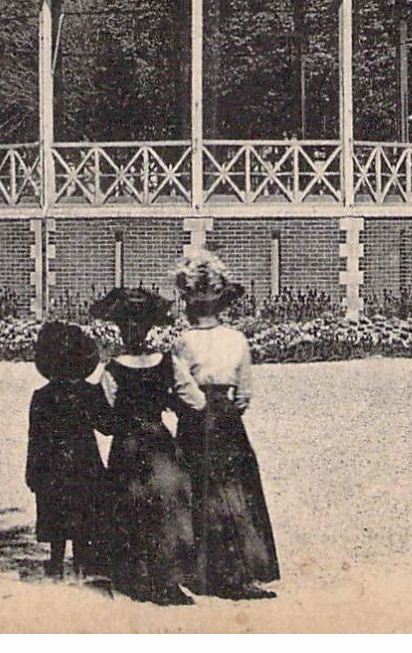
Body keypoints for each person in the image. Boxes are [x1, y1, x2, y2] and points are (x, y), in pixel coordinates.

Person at [171, 250, 280, 599]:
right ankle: (239, 568)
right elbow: (244, 393)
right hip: (228, 420)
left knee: (196, 489)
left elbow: (179, 388)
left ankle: (200, 569)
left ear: (188, 302)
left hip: (194, 419)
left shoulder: (183, 343)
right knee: (235, 490)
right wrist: (228, 414)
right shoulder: (237, 340)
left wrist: (192, 411)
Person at [89, 286, 205, 606]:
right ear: (150, 328)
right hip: (158, 442)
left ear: (122, 329)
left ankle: (134, 577)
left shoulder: (112, 371)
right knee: (166, 506)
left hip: (128, 445)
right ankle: (168, 580)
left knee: (130, 507)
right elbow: (196, 402)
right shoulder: (168, 364)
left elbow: (104, 421)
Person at [26, 321, 109, 581]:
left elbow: (35, 437)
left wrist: (32, 470)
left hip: (52, 461)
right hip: (84, 459)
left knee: (56, 513)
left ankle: (56, 561)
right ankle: (82, 563)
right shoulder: (88, 392)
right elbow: (105, 425)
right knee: (84, 513)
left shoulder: (42, 396)